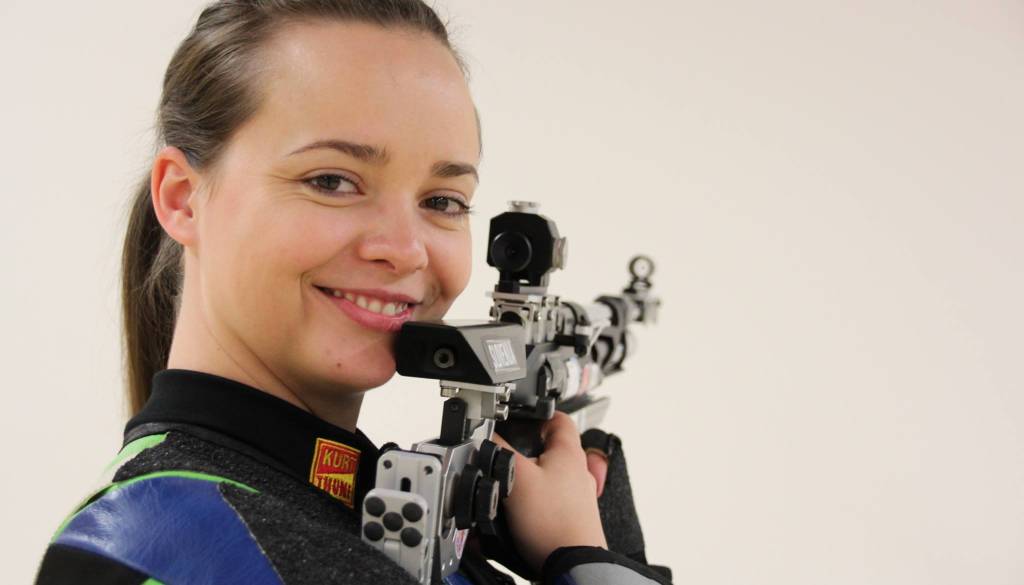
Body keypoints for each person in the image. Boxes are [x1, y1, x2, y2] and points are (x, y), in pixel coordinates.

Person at [34, 1, 672, 583]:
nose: (405, 248)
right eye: (332, 181)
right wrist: (585, 562)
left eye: (443, 200)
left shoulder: (340, 505)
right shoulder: (135, 551)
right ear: (182, 199)